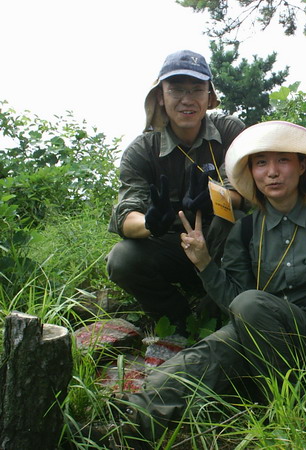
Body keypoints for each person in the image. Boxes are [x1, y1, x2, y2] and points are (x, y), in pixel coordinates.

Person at [116, 121, 306, 441]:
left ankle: (288, 406)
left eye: (283, 160)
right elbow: (234, 301)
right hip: (259, 335)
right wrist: (204, 262)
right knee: (206, 355)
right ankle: (131, 422)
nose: (272, 172)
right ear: (252, 172)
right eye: (261, 163)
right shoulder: (245, 230)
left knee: (249, 306)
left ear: (302, 166)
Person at [106, 50, 245, 334]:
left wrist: (214, 199)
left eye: (196, 89)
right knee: (122, 259)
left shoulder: (229, 131)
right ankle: (179, 321)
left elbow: (243, 191)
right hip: (173, 249)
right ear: (160, 96)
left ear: (209, 96)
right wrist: (150, 222)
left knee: (240, 222)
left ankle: (221, 314)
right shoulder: (141, 151)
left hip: (224, 246)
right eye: (177, 90)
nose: (187, 99)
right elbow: (126, 215)